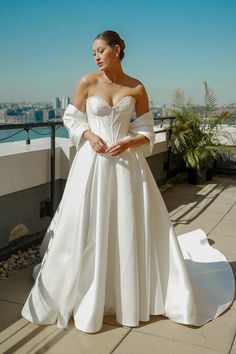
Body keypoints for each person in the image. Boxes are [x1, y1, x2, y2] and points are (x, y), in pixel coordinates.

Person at [21, 30, 235, 334]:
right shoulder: (87, 82)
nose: (95, 56)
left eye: (100, 50)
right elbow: (71, 117)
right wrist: (89, 135)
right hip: (92, 163)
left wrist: (127, 143)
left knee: (126, 223)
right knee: (88, 222)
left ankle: (128, 292)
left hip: (125, 164)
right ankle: (82, 288)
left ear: (117, 50)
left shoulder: (137, 88)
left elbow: (147, 130)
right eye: (92, 52)